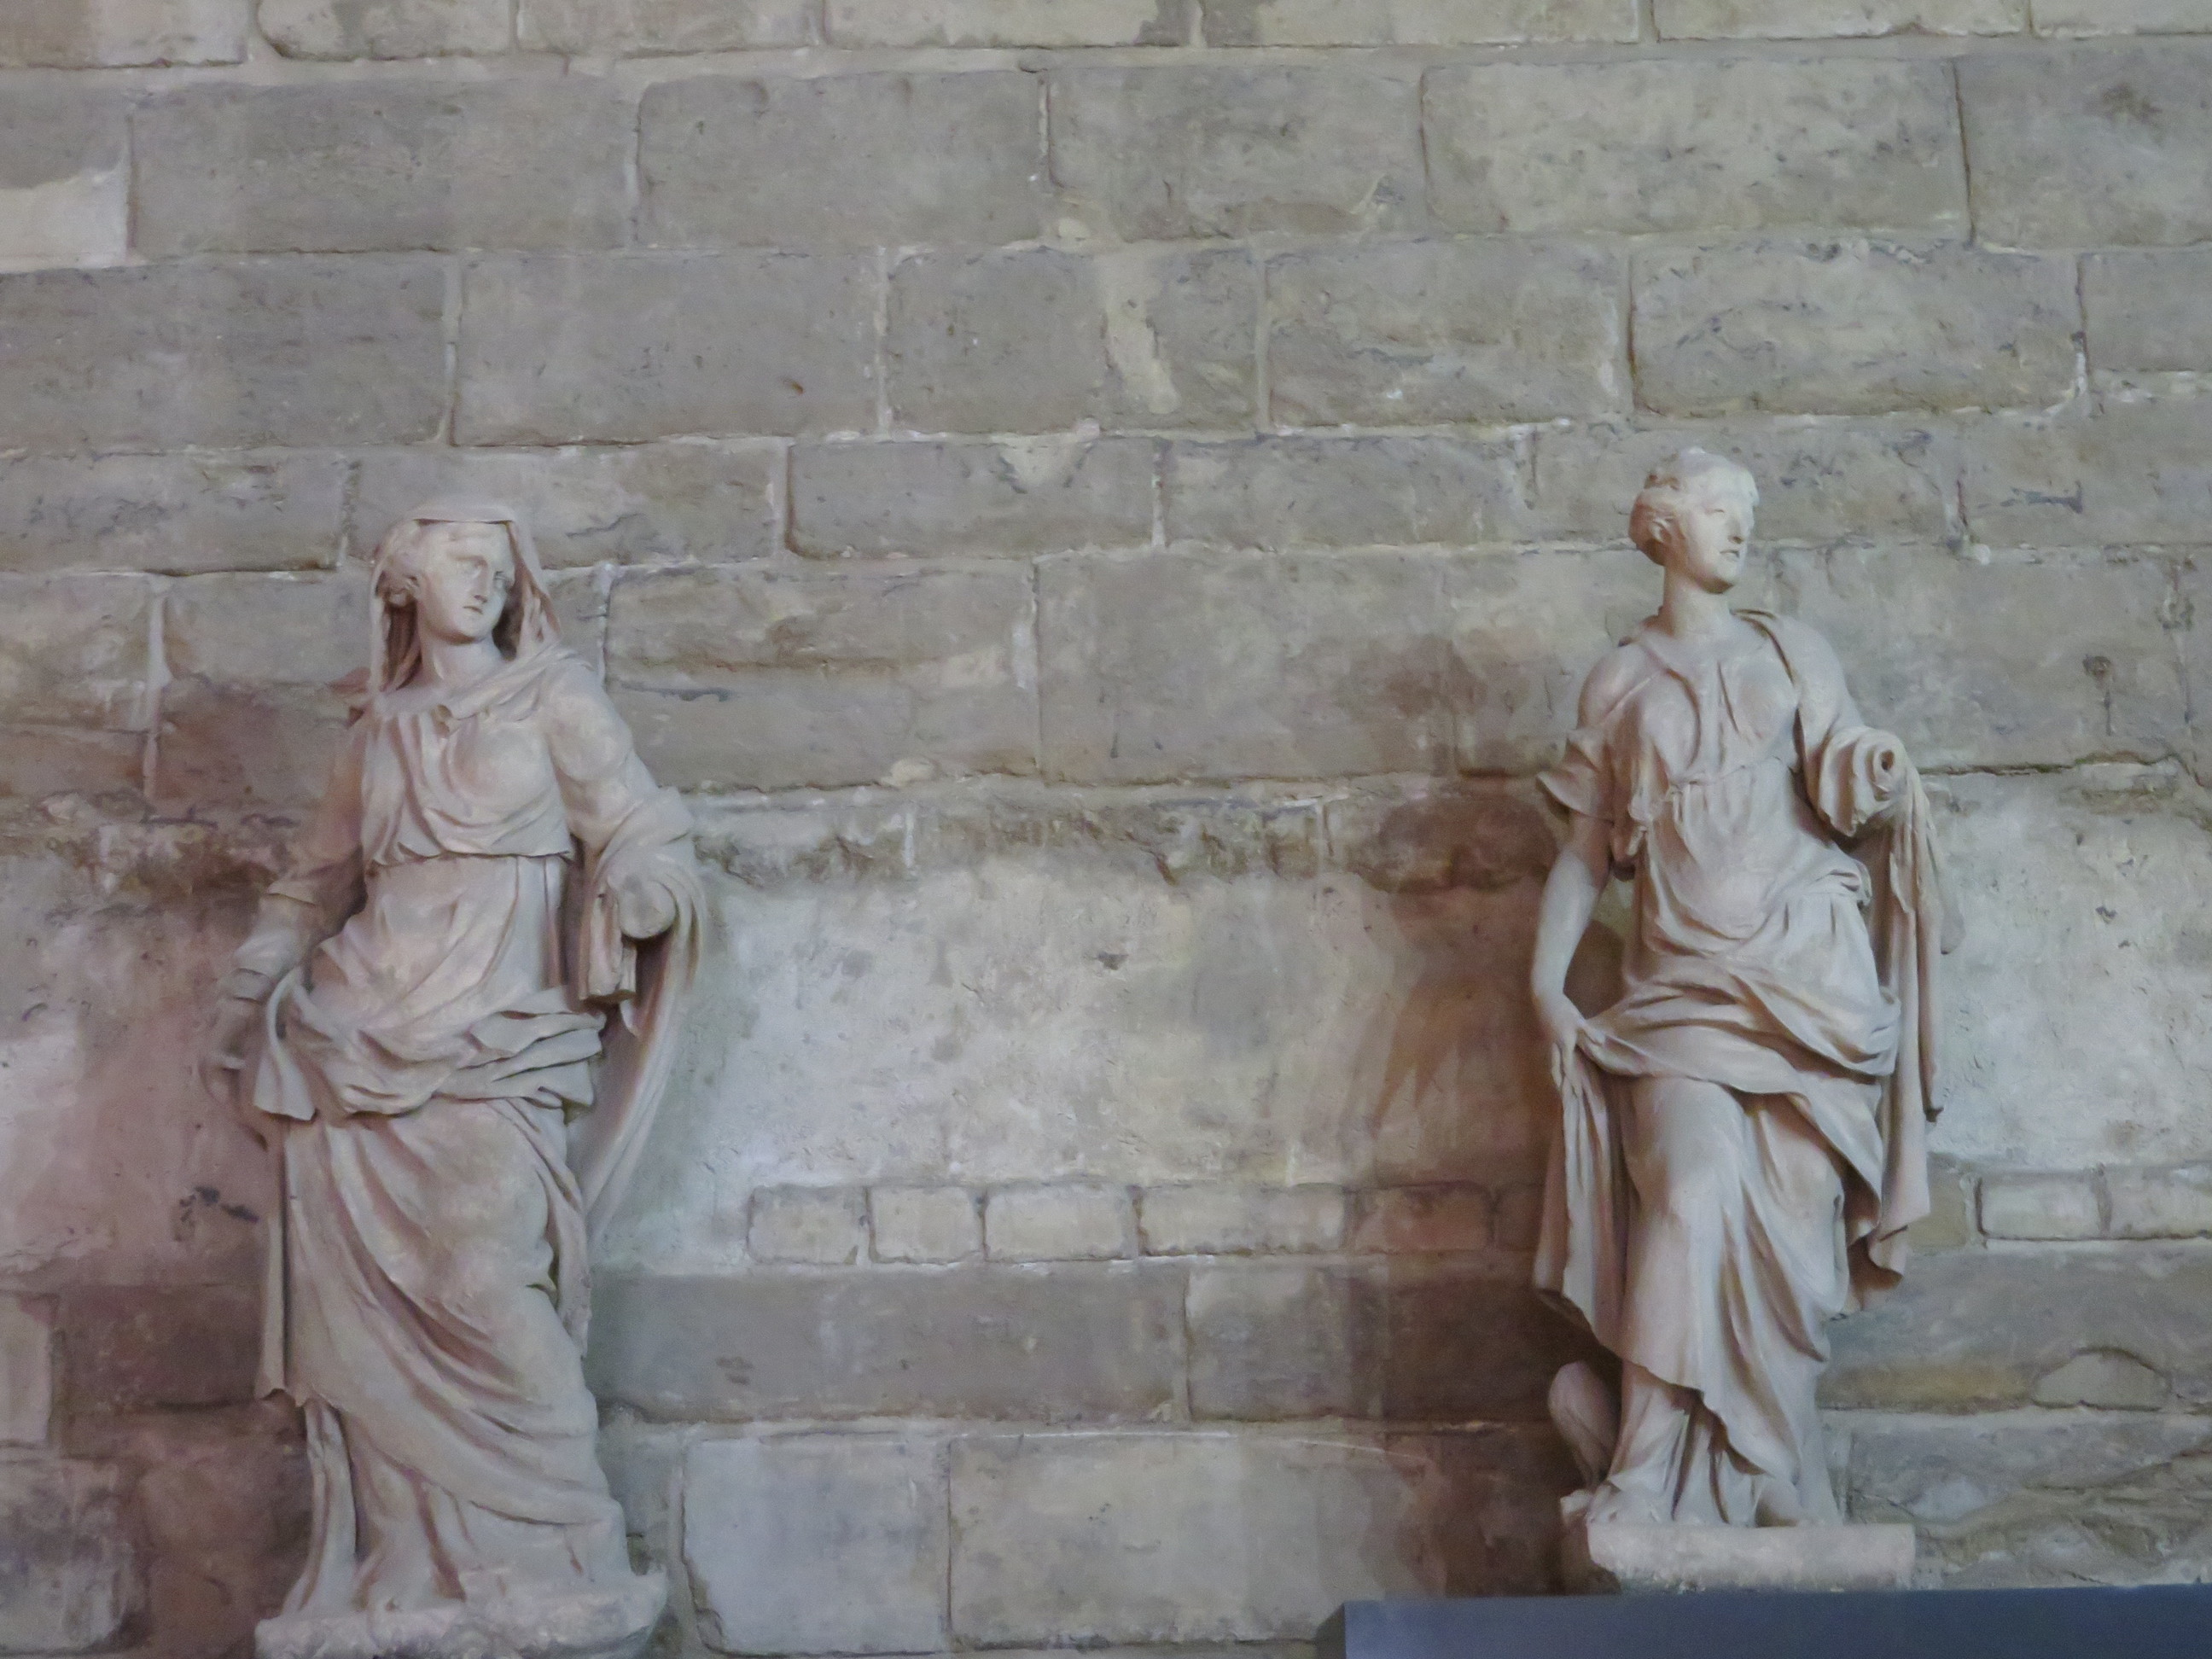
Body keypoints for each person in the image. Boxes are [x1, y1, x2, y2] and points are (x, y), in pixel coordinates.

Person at [201, 499, 699, 1621]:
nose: (486, 586)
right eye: (463, 565)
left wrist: (643, 887)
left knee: (484, 1283)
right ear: (403, 583)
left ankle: (567, 1550)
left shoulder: (554, 698)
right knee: (364, 1321)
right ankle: (406, 1571)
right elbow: (311, 890)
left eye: (500, 572)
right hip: (354, 1042)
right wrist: (242, 994)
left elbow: (636, 825)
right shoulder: (375, 734)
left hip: (502, 1037)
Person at [1528, 450, 1947, 1528]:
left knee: (1796, 1237)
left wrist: (1879, 769)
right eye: (1719, 509)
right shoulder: (1619, 680)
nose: (1739, 529)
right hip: (1678, 995)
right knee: (1691, 1189)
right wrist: (1545, 986)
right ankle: (1643, 1468)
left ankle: (1764, 1475)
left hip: (1808, 985)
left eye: (1745, 514)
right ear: (1662, 525)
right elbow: (1584, 852)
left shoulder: (1795, 651)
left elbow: (1844, 778)